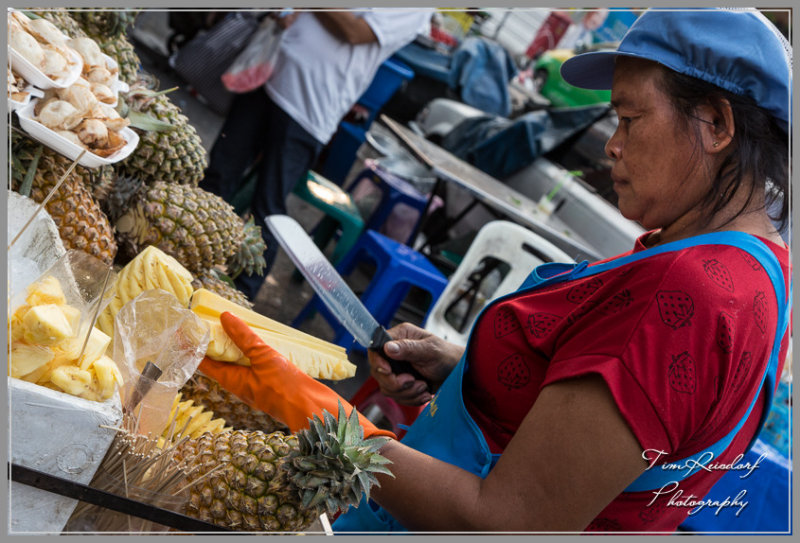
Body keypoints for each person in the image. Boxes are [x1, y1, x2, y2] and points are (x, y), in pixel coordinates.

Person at [198, 8, 791, 532]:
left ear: (715, 125)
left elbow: (507, 521)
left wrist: (310, 406)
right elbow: (606, 424)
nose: (611, 145)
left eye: (629, 119)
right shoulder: (759, 273)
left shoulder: (687, 292)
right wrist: (466, 370)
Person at [198, 8, 432, 301]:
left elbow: (355, 32)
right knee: (218, 174)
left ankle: (236, 299)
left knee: (266, 211)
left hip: (309, 111)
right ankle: (181, 259)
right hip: (269, 74)